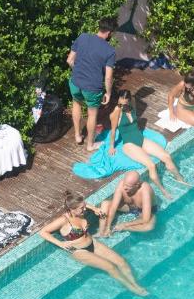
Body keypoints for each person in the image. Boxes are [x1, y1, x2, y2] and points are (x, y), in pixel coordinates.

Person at [39, 191, 148, 296]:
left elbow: (86, 206)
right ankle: (134, 290)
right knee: (110, 267)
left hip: (93, 243)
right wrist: (60, 244)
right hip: (78, 251)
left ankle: (136, 284)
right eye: (82, 208)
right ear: (72, 209)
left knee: (121, 261)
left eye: (85, 206)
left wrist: (95, 208)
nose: (85, 209)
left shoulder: (80, 210)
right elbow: (43, 232)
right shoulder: (63, 220)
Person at [108, 89, 187, 200]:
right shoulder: (116, 112)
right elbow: (113, 131)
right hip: (129, 144)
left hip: (140, 138)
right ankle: (163, 190)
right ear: (119, 98)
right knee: (151, 165)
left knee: (166, 156)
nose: (124, 101)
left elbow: (134, 105)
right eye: (122, 98)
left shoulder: (132, 104)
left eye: (126, 99)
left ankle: (180, 179)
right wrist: (112, 146)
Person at [68, 17, 117, 152]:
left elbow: (69, 60)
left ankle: (78, 136)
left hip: (75, 81)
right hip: (92, 88)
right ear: (109, 33)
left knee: (76, 104)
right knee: (92, 114)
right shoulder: (110, 51)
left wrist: (79, 71)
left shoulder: (83, 37)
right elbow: (108, 77)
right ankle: (90, 145)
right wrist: (108, 92)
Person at [99, 171, 157, 237]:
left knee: (149, 226)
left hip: (145, 212)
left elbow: (146, 219)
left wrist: (125, 225)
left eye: (128, 186)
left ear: (137, 185)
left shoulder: (145, 189)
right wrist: (108, 227)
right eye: (124, 184)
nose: (124, 188)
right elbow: (113, 207)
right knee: (105, 203)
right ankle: (102, 232)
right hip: (130, 207)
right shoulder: (121, 184)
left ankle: (124, 229)